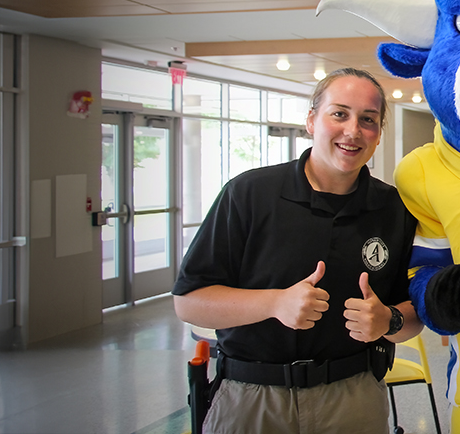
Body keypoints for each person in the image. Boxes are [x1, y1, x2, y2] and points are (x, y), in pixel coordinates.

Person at [172, 67, 423, 434]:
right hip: (253, 397)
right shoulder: (249, 195)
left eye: (367, 120)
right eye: (339, 114)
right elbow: (189, 302)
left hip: (354, 396)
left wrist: (389, 321)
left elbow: (415, 312)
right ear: (311, 120)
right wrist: (274, 303)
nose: (353, 131)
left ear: (379, 133)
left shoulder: (394, 209)